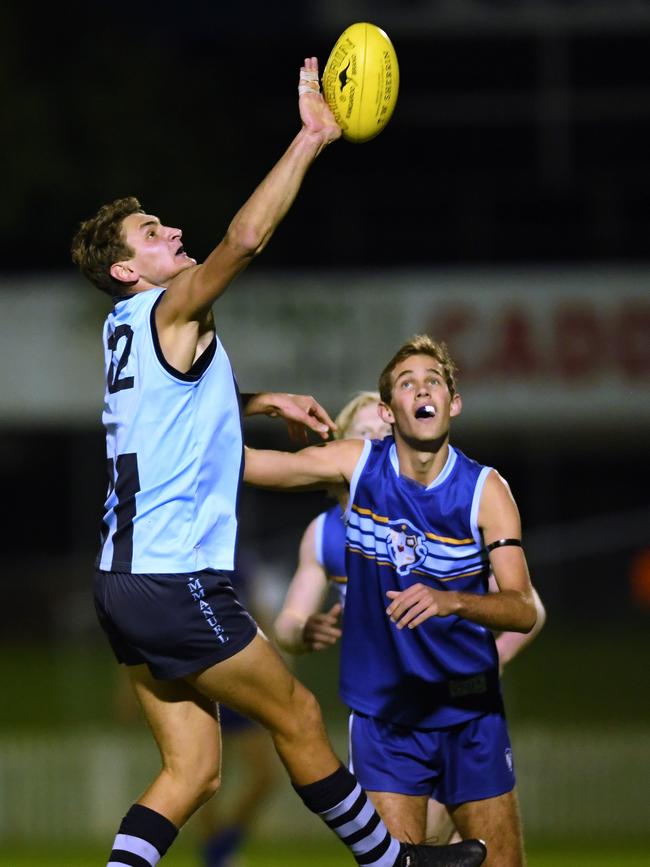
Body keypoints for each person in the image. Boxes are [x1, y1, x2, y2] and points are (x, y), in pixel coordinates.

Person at [71, 52, 486, 867]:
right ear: (127, 271)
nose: (173, 233)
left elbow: (192, 435)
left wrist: (261, 403)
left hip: (120, 586)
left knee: (191, 771)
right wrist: (311, 138)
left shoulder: (126, 337)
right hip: (174, 578)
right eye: (153, 234)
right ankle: (394, 863)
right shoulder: (165, 306)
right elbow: (247, 236)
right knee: (297, 714)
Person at [245, 335, 539, 867]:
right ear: (389, 411)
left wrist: (453, 602)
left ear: (454, 403)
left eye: (434, 381)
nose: (422, 389)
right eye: (408, 383)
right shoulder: (354, 476)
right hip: (387, 718)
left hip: (469, 712)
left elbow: (522, 608)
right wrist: (209, 409)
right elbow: (253, 466)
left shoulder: (485, 491)